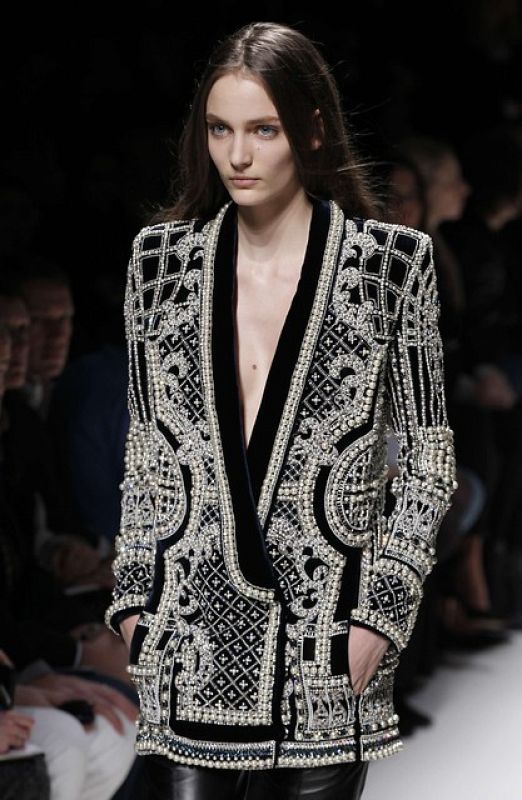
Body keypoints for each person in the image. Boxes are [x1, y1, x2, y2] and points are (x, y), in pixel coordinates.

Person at [105, 21, 457, 800]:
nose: (237, 155)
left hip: (324, 655)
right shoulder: (160, 266)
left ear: (312, 129)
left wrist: (380, 619)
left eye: (263, 129)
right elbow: (146, 450)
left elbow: (428, 458)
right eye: (220, 129)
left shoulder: (388, 268)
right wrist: (132, 602)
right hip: (188, 645)